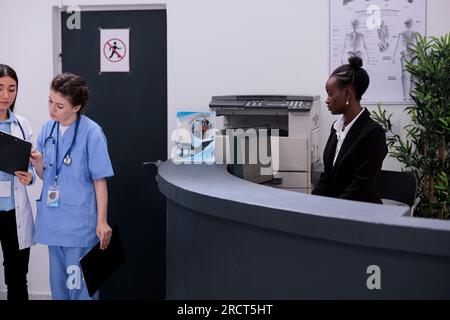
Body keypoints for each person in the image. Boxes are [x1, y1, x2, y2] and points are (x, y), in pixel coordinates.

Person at [30, 73, 114, 300]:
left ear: (76, 107)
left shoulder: (92, 133)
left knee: (82, 290)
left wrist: (102, 221)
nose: (52, 109)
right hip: (53, 222)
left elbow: (100, 180)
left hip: (80, 225)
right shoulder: (47, 129)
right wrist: (38, 163)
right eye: (50, 101)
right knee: (59, 290)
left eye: (59, 105)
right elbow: (45, 176)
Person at [312, 56, 387, 203]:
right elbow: (327, 177)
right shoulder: (336, 128)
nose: (327, 99)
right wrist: (312, 205)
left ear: (347, 93)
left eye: (330, 93)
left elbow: (360, 186)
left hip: (359, 214)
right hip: (336, 211)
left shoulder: (373, 133)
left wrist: (333, 212)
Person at [0, 64, 35, 300]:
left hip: (14, 212)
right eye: (0, 88)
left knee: (17, 277)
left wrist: (30, 177)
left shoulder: (22, 124)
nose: (6, 96)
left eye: (11, 89)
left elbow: (30, 167)